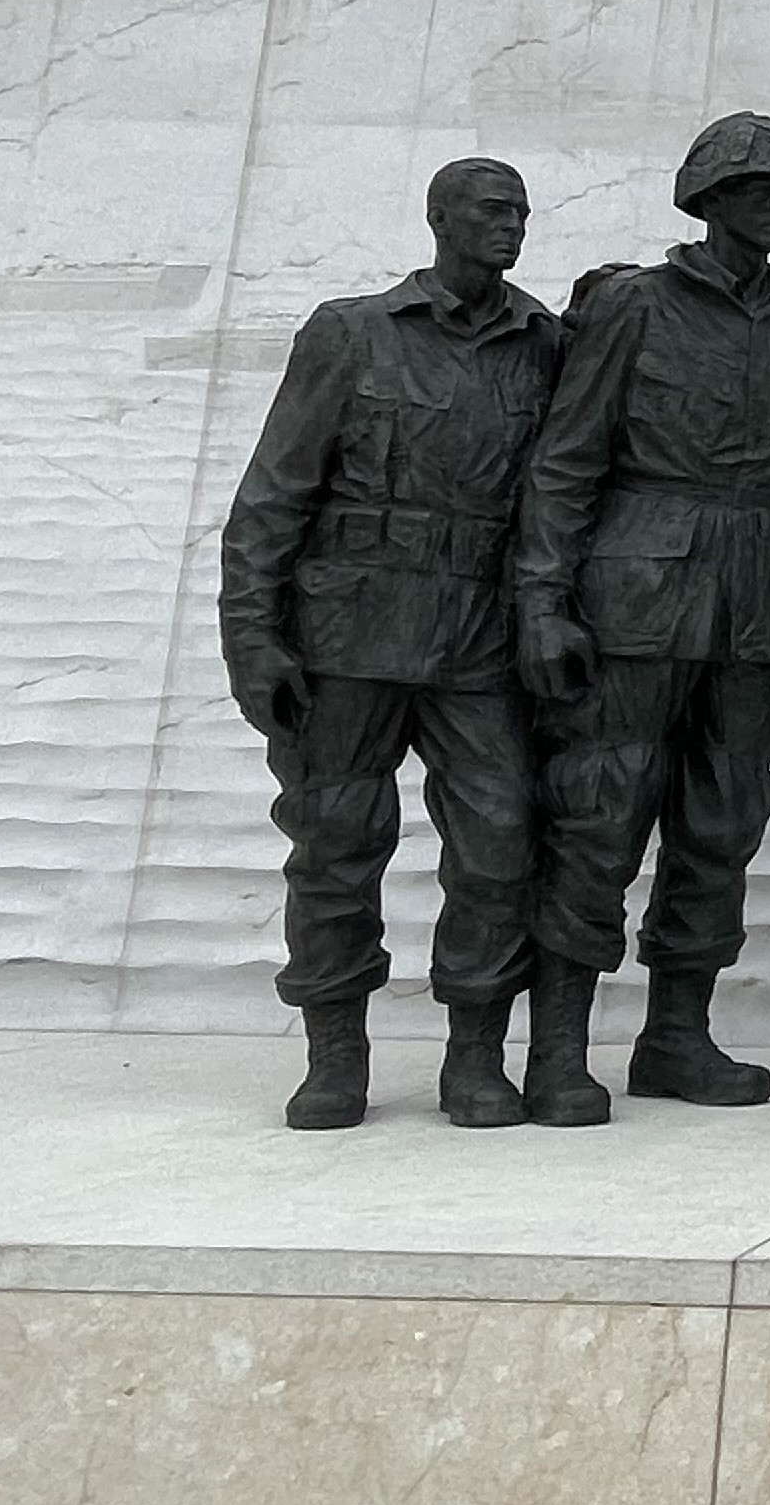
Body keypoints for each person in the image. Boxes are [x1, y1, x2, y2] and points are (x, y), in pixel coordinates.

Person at [218, 158, 562, 1131]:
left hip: (480, 640)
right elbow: (272, 496)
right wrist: (253, 636)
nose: (511, 228)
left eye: (522, 214)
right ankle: (336, 1056)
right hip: (346, 636)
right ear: (440, 218)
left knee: (500, 846)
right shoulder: (353, 333)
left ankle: (476, 1058)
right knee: (334, 850)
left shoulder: (546, 344)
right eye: (493, 211)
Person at [516, 113, 770, 1118]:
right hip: (638, 587)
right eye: (758, 188)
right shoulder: (634, 308)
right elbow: (566, 460)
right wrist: (542, 601)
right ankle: (559, 1049)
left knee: (724, 821)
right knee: (600, 809)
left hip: (759, 596)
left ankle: (677, 1036)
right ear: (706, 199)